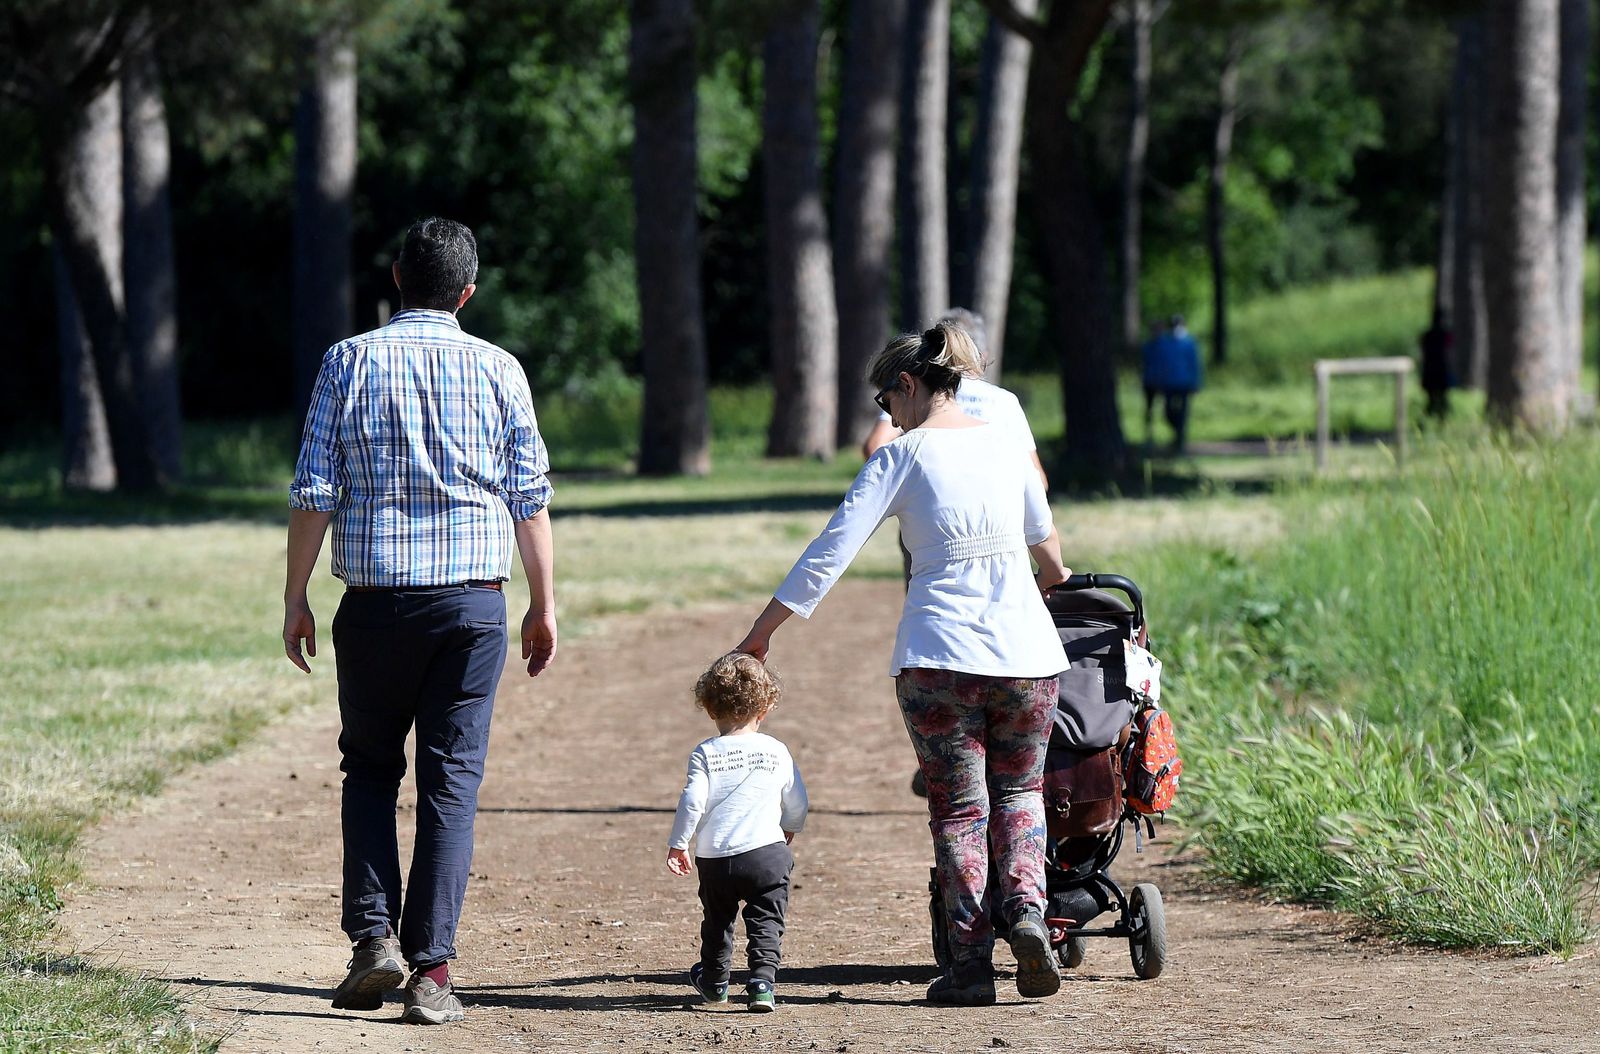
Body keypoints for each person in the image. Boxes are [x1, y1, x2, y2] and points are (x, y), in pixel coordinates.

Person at [737, 322, 1071, 1007]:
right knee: (1021, 795)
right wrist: (1043, 581)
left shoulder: (902, 457)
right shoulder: (1007, 445)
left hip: (938, 659)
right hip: (1029, 658)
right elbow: (1052, 553)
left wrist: (759, 636)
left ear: (910, 386)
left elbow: (828, 554)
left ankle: (971, 966)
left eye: (888, 404)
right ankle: (1030, 911)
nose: (888, 418)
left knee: (959, 812)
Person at [282, 217, 557, 1026]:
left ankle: (373, 940)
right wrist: (543, 603)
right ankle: (433, 971)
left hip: (373, 605)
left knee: (369, 769)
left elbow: (314, 490)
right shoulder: (501, 369)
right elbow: (529, 499)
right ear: (467, 292)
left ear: (398, 277)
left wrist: (296, 594)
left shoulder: (349, 360)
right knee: (451, 781)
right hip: (472, 605)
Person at [668, 652, 808, 1013]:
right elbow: (797, 800)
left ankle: (715, 984)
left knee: (718, 921)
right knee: (766, 920)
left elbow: (692, 802)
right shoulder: (776, 750)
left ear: (711, 709)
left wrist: (679, 843)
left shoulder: (705, 753)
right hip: (767, 853)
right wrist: (789, 827)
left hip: (715, 857)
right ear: (764, 709)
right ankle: (761, 983)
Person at [860, 308, 1047, 490]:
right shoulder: (1004, 401)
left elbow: (875, 446)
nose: (894, 421)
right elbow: (1037, 481)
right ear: (983, 356)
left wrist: (909, 492)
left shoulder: (919, 393)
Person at [1140, 314, 1203, 454]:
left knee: (1183, 413)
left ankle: (1180, 439)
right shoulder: (1167, 343)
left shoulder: (1189, 343)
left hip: (1185, 383)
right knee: (1168, 412)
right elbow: (1162, 364)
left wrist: (1196, 382)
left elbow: (1195, 364)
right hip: (1169, 383)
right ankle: (1178, 434)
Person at [1418, 305, 1455, 419]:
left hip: (1429, 370)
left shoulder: (1426, 336)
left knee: (1431, 400)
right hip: (1441, 369)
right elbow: (1451, 348)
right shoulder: (1445, 335)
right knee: (1442, 398)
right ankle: (1442, 419)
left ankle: (1429, 418)